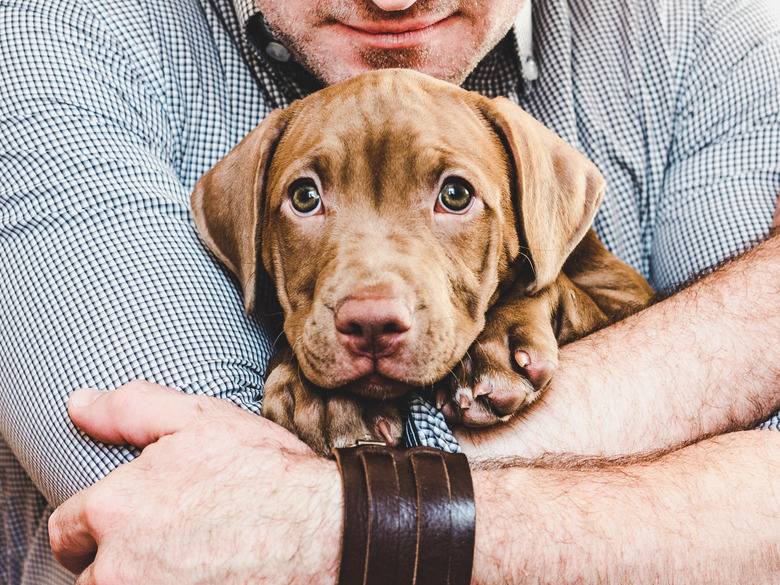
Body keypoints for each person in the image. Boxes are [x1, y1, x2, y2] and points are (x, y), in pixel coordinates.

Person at [1, 0, 779, 582]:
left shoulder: (703, 29)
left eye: (452, 195)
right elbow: (179, 515)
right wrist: (741, 342)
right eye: (306, 198)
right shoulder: (63, 40)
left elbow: (245, 516)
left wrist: (315, 517)